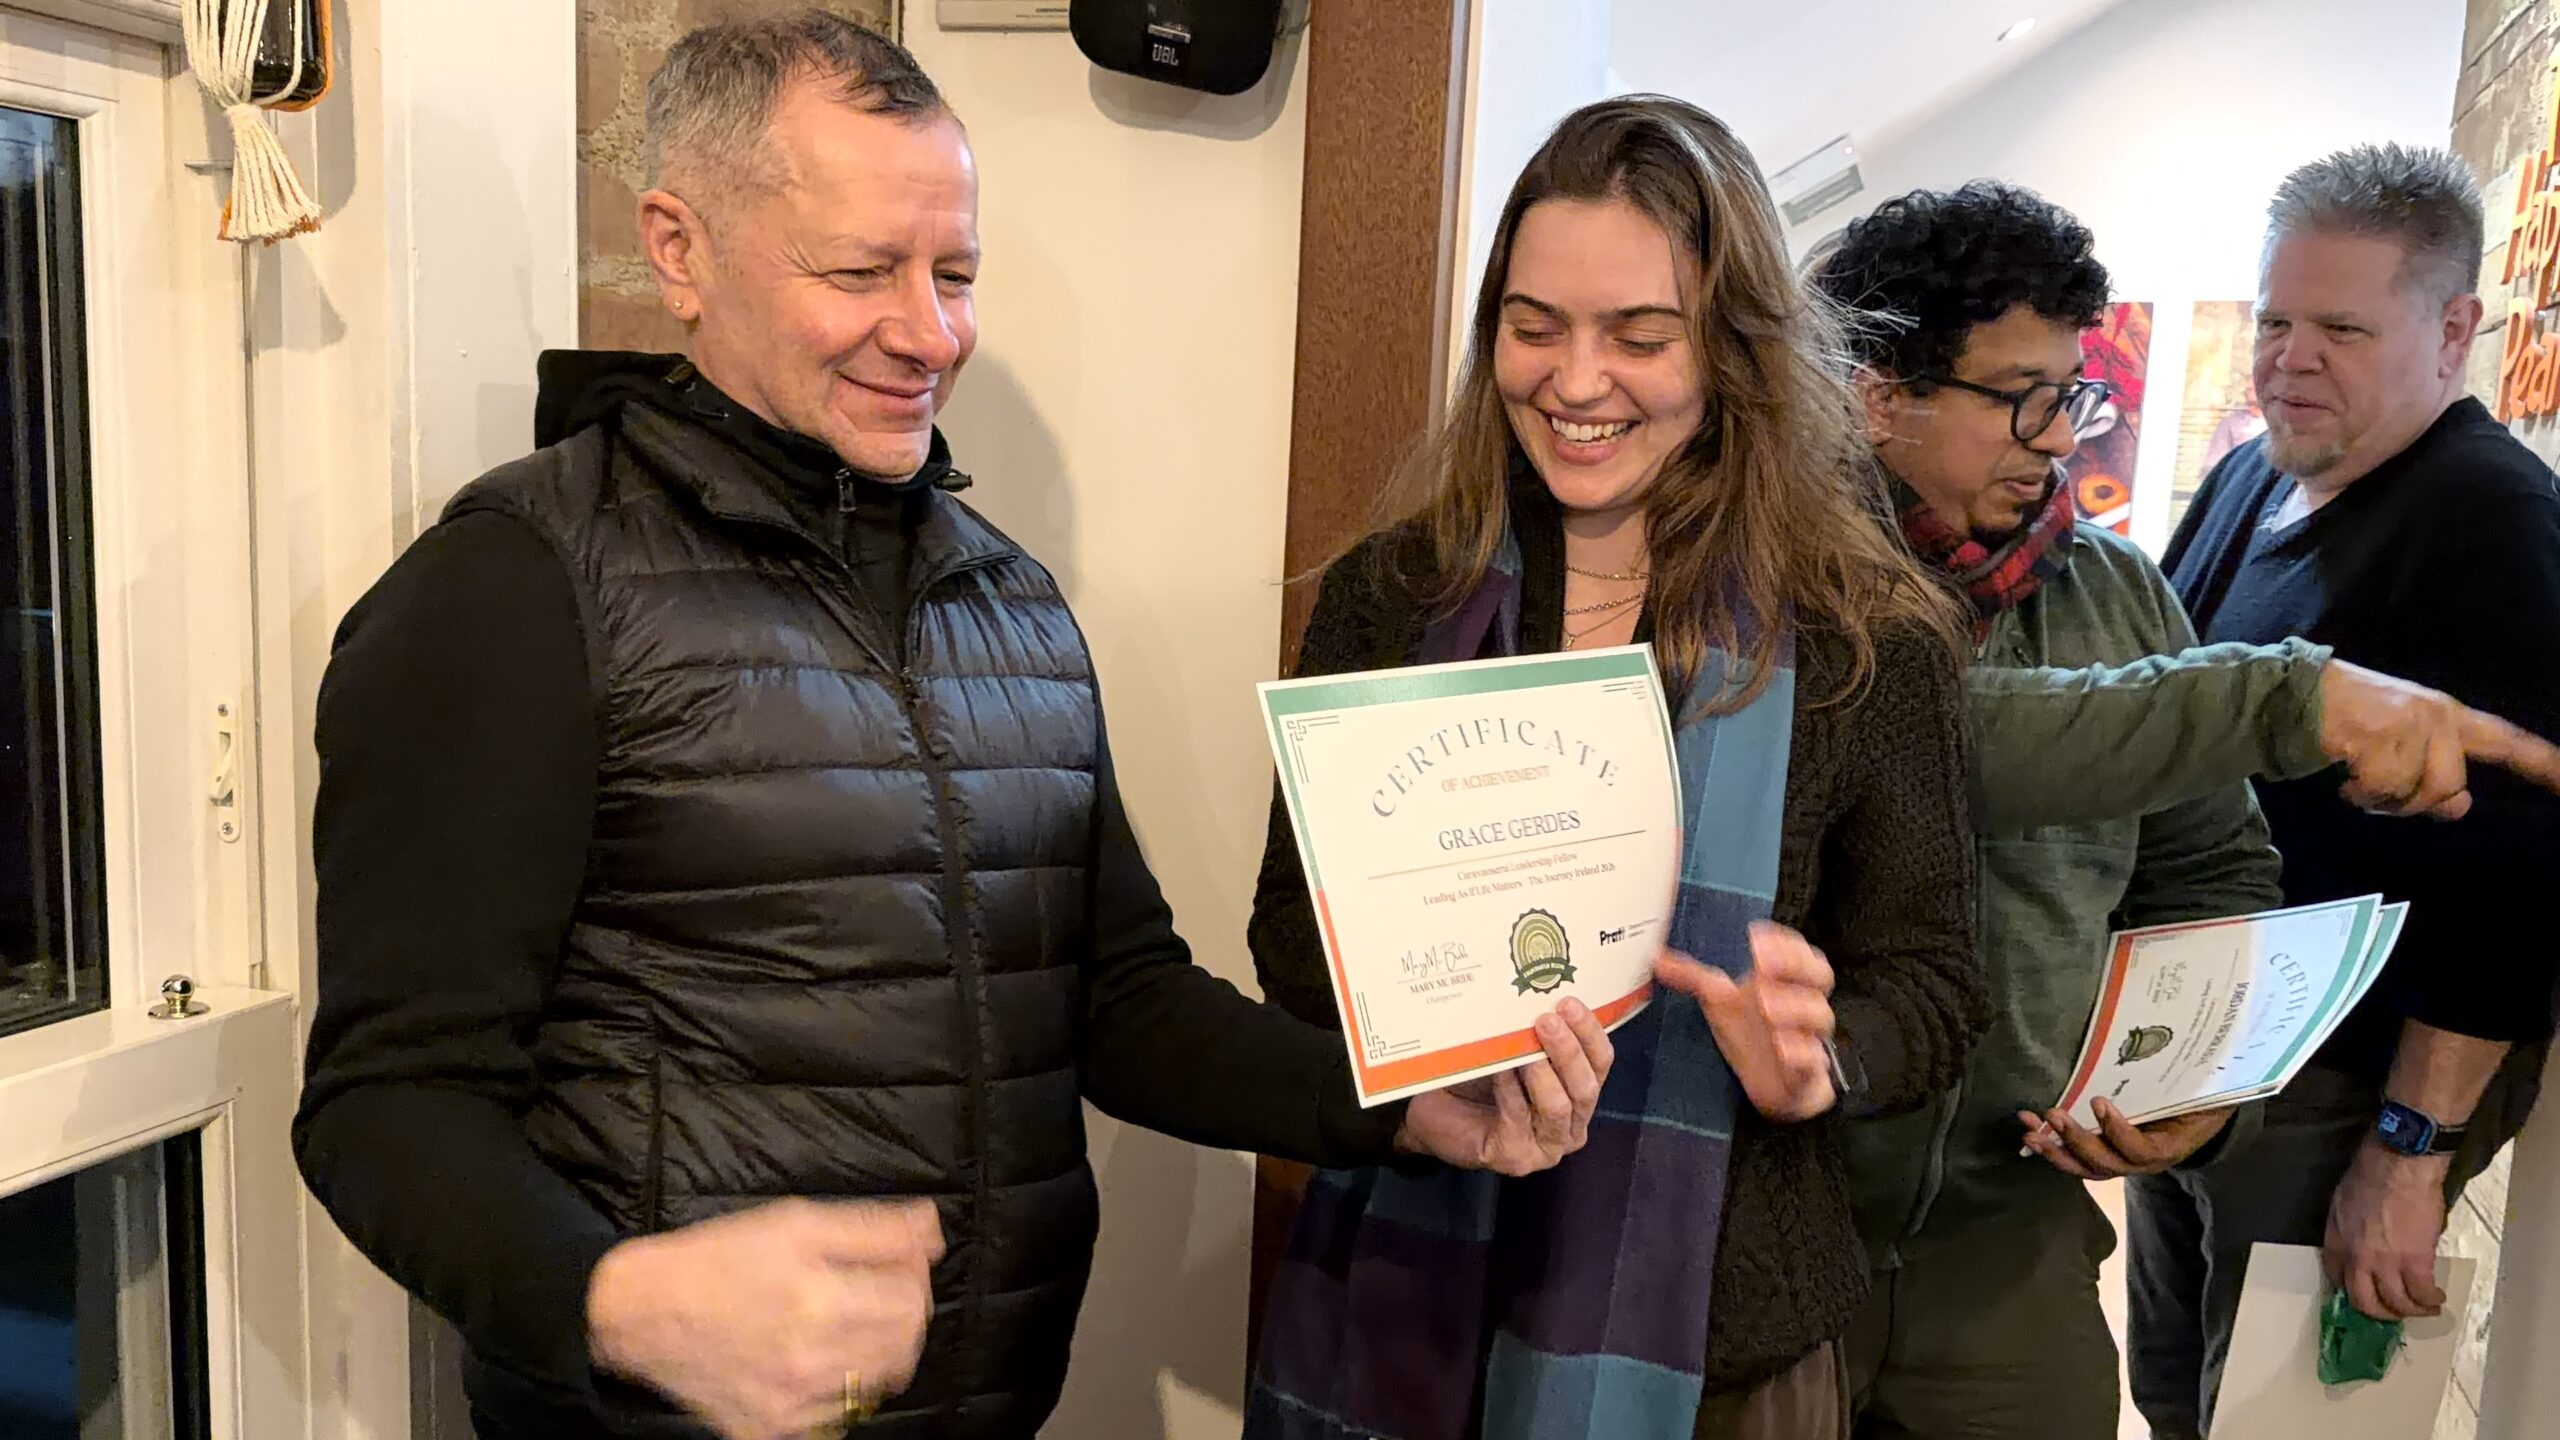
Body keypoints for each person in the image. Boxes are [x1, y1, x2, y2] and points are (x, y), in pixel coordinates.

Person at [289, 16, 1613, 1440]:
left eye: (956, 274)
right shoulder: (513, 589)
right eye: (861, 272)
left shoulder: (1010, 601)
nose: (931, 333)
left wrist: (1399, 1106)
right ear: (679, 250)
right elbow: (384, 1104)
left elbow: (1119, 1003)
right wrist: (616, 1299)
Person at [1245, 96, 1987, 1440]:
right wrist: (1428, 1022)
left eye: (1640, 338)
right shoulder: (1394, 596)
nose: (1576, 383)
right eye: (1534, 327)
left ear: (1732, 350)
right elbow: (1290, 936)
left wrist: (1824, 1055)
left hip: (1718, 1349)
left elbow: (1936, 984)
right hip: (1408, 1293)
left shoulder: (1864, 640)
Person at [1806, 180, 2284, 1440]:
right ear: (1877, 395)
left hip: (2014, 1242)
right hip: (1763, 1235)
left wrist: (2198, 1088)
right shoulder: (1765, 588)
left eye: (2071, 395)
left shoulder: (2119, 596)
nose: (2059, 437)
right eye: (2020, 397)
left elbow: (2212, 868)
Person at [2144, 142, 2560, 1440]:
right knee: (2172, 1395)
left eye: (2339, 329)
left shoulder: (2498, 524)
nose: (2289, 359)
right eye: (2275, 321)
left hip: (2340, 1087)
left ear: (2453, 333)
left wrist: (2408, 1151)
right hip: (2193, 1044)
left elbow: (2516, 883)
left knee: (2289, 1422)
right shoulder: (2249, 473)